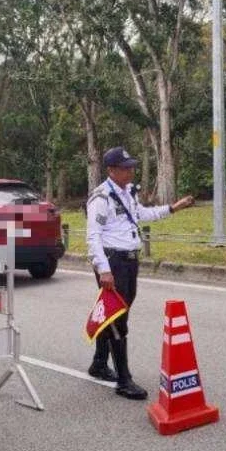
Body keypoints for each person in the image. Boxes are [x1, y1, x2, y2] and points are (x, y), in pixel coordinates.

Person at [85, 146, 194, 399]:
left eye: (132, 167)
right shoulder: (101, 198)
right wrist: (104, 270)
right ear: (111, 170)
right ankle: (124, 380)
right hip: (113, 262)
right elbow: (93, 237)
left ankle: (99, 364)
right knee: (118, 320)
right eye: (126, 168)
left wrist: (173, 208)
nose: (131, 171)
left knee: (114, 314)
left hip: (128, 261)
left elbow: (141, 214)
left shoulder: (126, 193)